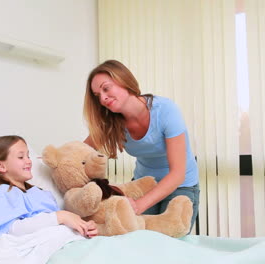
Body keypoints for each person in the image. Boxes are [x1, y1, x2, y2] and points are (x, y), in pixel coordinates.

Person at [83, 60, 200, 231]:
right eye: (97, 95)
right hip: (144, 183)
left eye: (106, 88)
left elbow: (177, 173)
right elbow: (81, 153)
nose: (103, 98)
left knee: (172, 244)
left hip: (181, 185)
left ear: (123, 80)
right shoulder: (111, 122)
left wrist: (138, 205)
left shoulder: (166, 110)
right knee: (139, 242)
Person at [0, 135, 98, 242]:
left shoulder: (41, 194)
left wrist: (83, 227)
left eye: (28, 156)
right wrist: (60, 217)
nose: (29, 161)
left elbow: (59, 223)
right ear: (1, 165)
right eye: (21, 157)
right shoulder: (4, 192)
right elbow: (13, 229)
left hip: (69, 241)